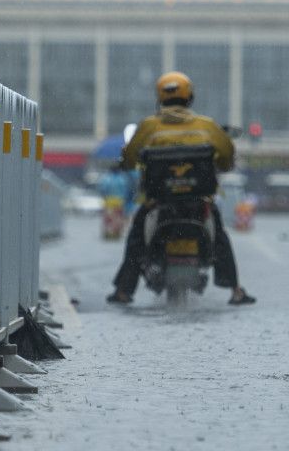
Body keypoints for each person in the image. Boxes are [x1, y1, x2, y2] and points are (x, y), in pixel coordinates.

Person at [107, 71, 256, 306]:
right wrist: (222, 165)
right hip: (199, 201)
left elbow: (130, 156)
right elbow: (227, 153)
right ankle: (236, 290)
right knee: (219, 236)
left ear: (160, 98)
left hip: (158, 201)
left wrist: (127, 163)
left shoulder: (149, 126)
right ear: (190, 97)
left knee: (137, 236)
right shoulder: (206, 126)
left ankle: (124, 291)